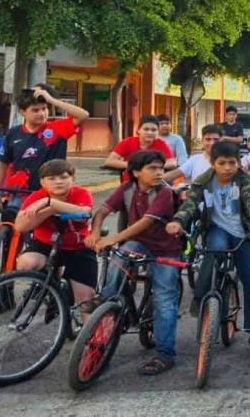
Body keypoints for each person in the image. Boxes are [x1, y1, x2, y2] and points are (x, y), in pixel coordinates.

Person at [166, 141, 250, 356]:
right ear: (213, 163)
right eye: (222, 163)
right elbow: (190, 204)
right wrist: (178, 221)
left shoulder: (244, 180)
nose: (227, 168)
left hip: (243, 233)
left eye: (232, 163)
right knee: (213, 250)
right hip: (216, 229)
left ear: (238, 163)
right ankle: (200, 297)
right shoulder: (203, 180)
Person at [85, 150, 182, 375]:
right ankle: (108, 301)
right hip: (137, 243)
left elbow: (145, 223)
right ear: (136, 172)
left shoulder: (164, 193)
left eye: (161, 168)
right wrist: (95, 232)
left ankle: (165, 353)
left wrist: (114, 239)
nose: (159, 172)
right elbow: (103, 210)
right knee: (117, 260)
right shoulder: (127, 189)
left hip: (166, 249)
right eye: (153, 168)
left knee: (164, 297)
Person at [0, 84, 89, 218]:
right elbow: (2, 163)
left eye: (44, 109)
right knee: (9, 228)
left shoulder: (57, 129)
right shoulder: (13, 133)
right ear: (22, 112)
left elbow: (83, 115)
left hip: (50, 195)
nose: (41, 113)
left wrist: (51, 100)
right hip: (19, 194)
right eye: (35, 110)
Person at [14, 160, 95, 310]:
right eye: (52, 178)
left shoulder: (82, 193)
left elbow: (83, 214)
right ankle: (52, 286)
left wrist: (50, 202)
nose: (58, 182)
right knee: (26, 263)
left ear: (73, 180)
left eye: (64, 177)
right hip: (46, 244)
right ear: (42, 182)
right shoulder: (36, 196)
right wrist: (50, 209)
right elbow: (20, 225)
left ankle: (90, 332)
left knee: (86, 300)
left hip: (78, 246)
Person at [104, 114, 177, 182]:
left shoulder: (161, 144)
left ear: (158, 132)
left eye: (153, 130)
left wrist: (150, 167)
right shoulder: (127, 142)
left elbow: (172, 163)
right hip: (130, 182)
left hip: (153, 183)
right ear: (138, 130)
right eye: (146, 129)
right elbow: (109, 161)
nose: (149, 133)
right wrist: (135, 165)